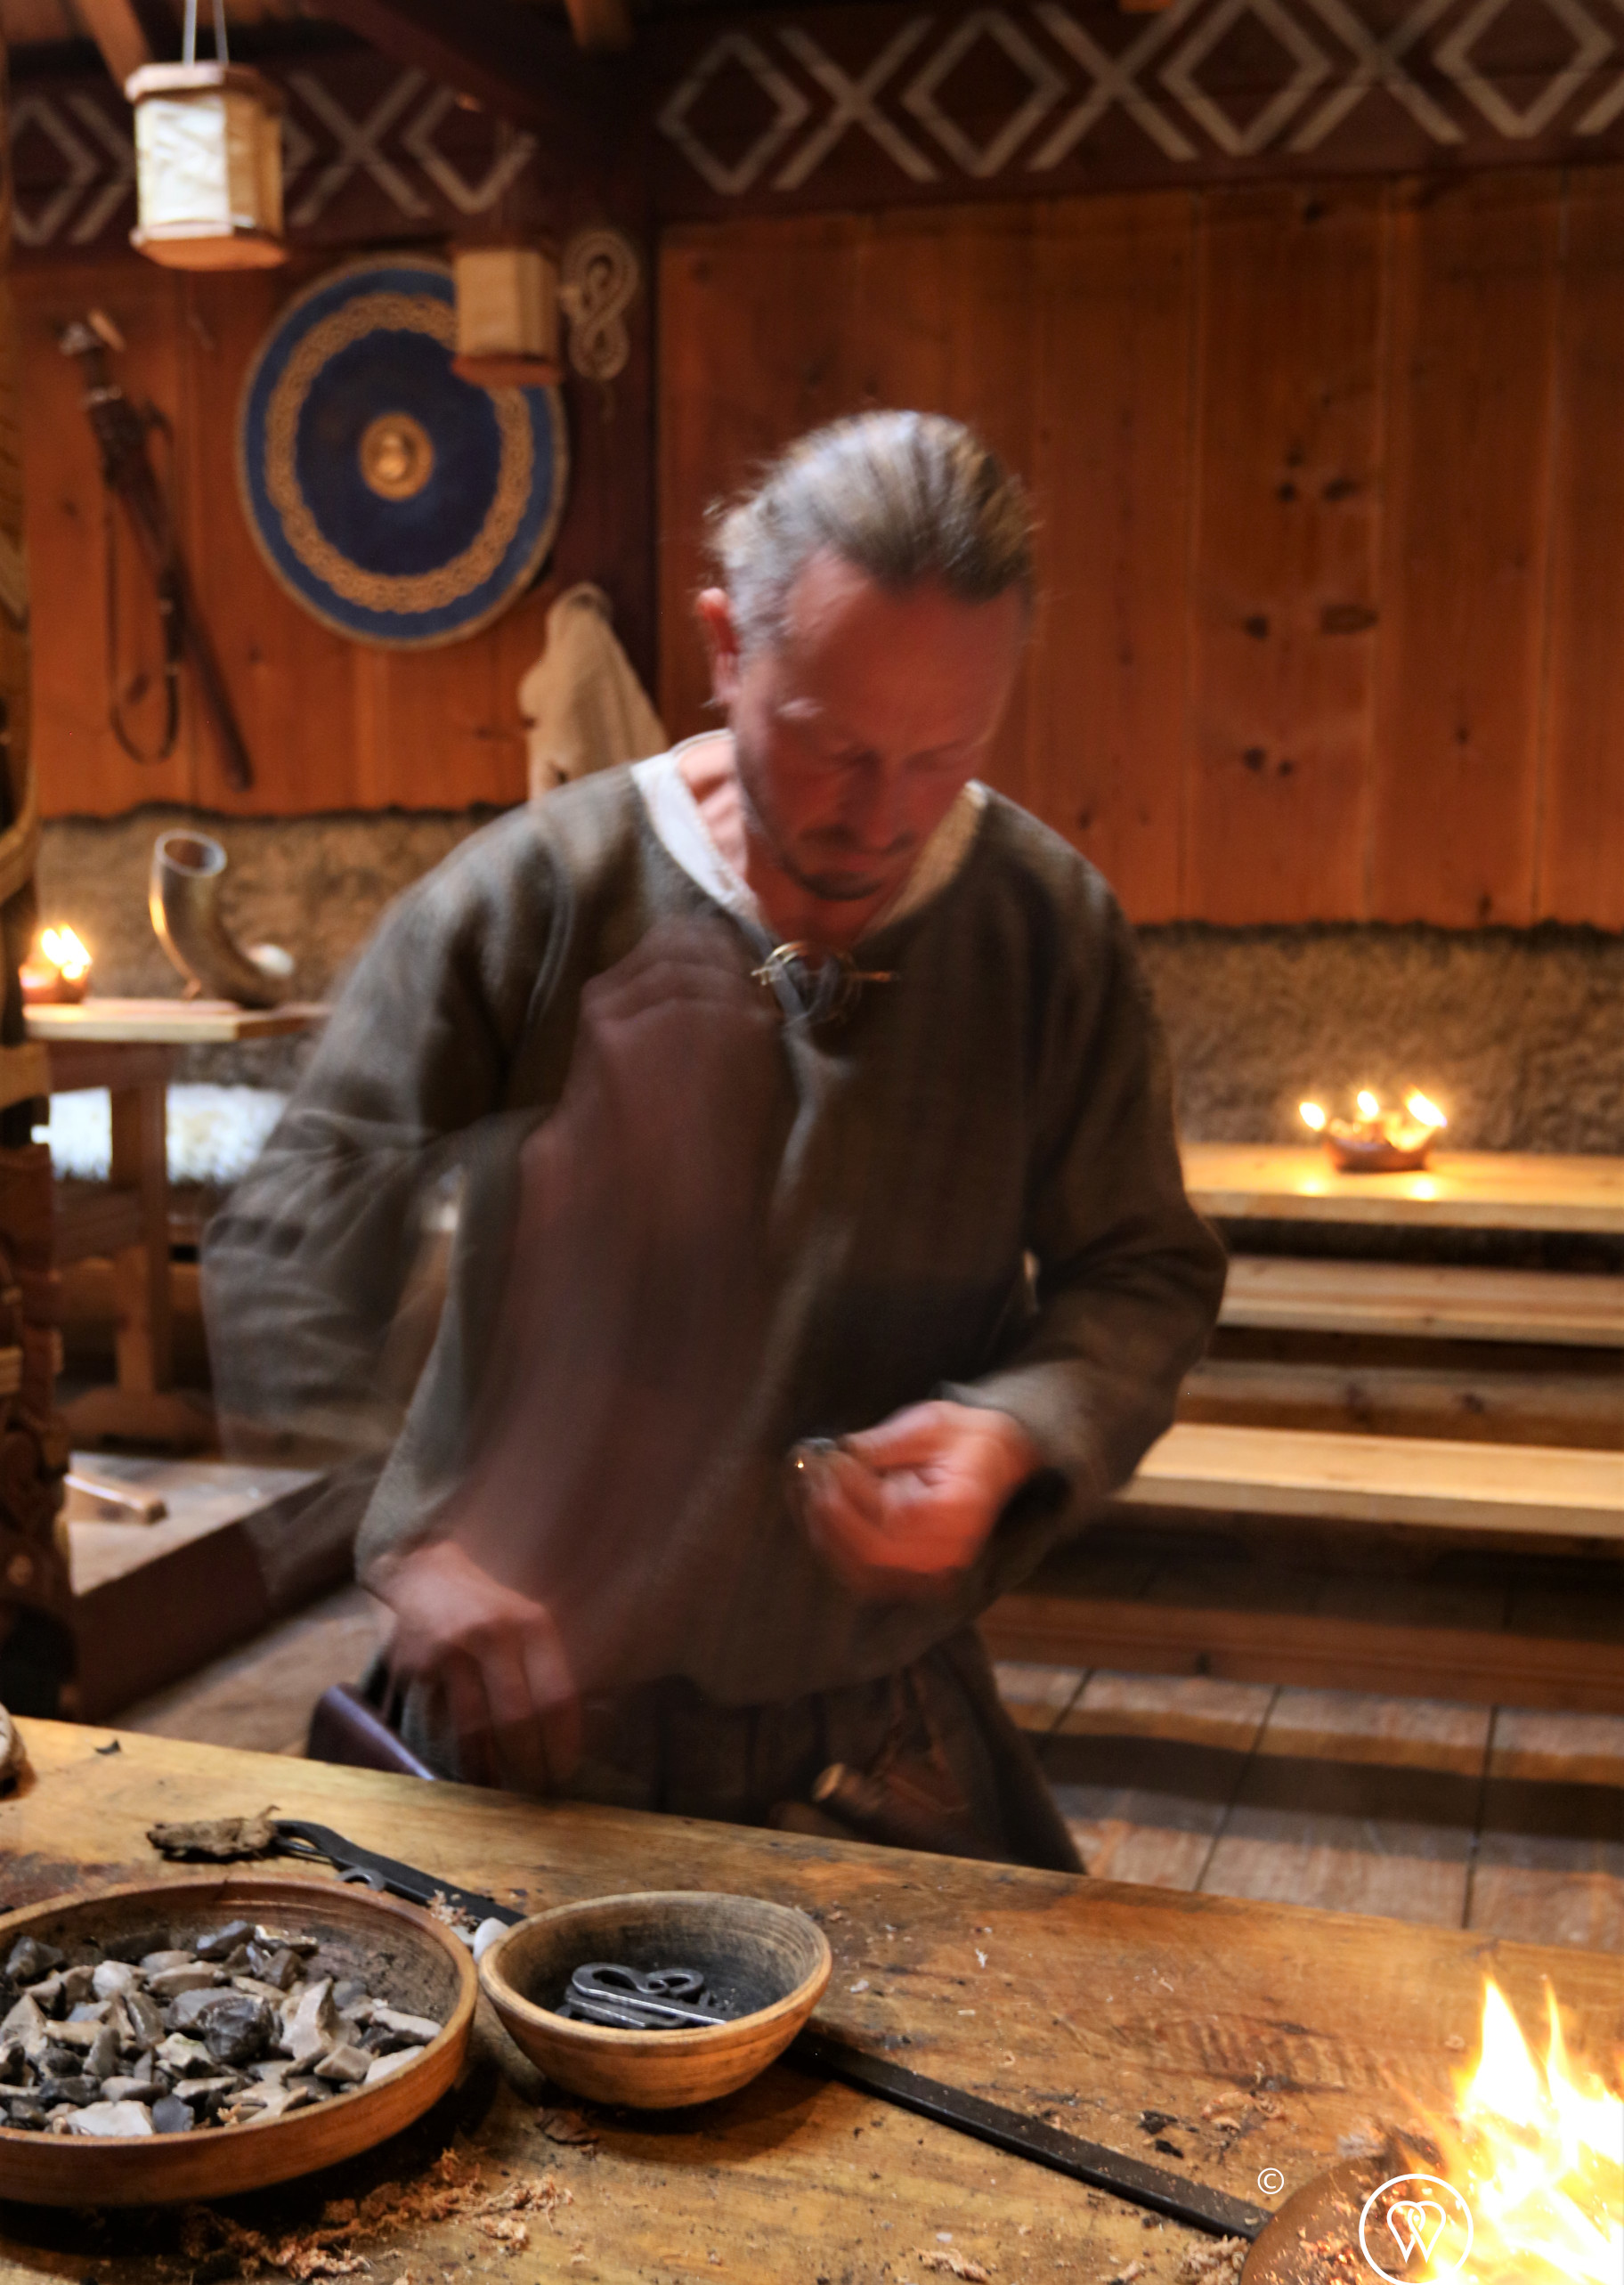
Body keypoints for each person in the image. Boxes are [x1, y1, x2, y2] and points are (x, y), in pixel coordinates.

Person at [204, 411, 1225, 1870]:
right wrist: (409, 1550)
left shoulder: (1045, 929)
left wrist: (1016, 1429)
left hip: (874, 1735)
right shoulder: (536, 899)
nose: (880, 818)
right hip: (519, 1741)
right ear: (726, 647)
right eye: (828, 746)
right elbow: (292, 1234)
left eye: (943, 755)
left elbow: (1141, 1273)